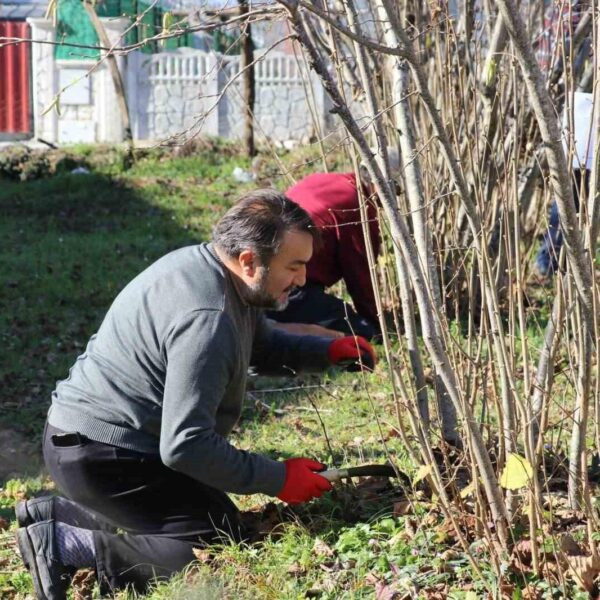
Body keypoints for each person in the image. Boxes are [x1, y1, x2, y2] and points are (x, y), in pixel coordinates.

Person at [15, 189, 376, 600]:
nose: (303, 280)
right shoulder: (209, 318)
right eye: (294, 266)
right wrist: (278, 478)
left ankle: (56, 514)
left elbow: (258, 344)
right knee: (210, 543)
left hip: (101, 441)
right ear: (248, 260)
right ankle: (64, 544)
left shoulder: (212, 269)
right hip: (101, 455)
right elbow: (186, 445)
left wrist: (326, 351)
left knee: (221, 520)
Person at [267, 151, 399, 341]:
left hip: (263, 276)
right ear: (383, 185)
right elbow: (360, 275)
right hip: (289, 289)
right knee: (360, 332)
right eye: (396, 191)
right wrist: (376, 325)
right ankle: (275, 331)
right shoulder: (359, 209)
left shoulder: (320, 179)